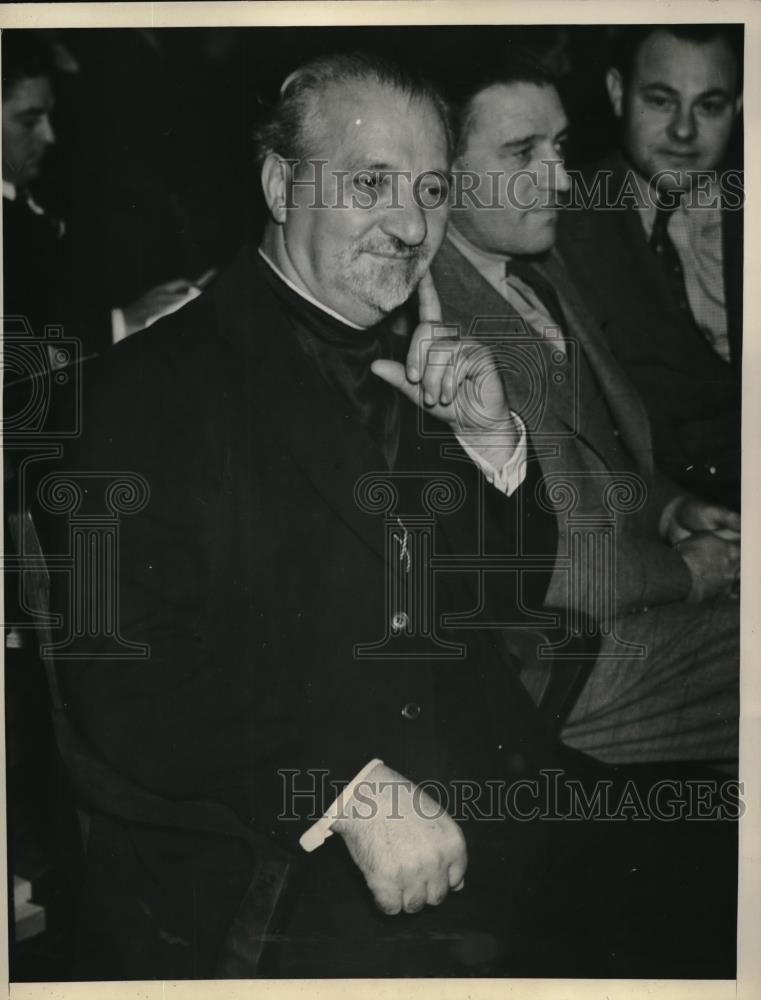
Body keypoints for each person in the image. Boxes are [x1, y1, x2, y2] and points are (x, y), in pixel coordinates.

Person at [47, 52, 736, 981]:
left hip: (505, 792)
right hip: (298, 863)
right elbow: (121, 677)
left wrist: (496, 448)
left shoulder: (417, 363)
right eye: (372, 183)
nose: (412, 226)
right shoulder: (138, 391)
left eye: (431, 189)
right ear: (279, 183)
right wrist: (345, 787)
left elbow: (496, 608)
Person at [432, 50, 740, 766]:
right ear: (438, 172)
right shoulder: (436, 325)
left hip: (619, 610)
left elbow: (593, 448)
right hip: (553, 664)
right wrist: (688, 572)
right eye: (521, 154)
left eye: (560, 147)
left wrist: (668, 510)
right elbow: (535, 564)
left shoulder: (536, 267)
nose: (561, 179)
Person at [557, 25, 742, 509]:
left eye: (709, 105)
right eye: (661, 101)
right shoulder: (555, 220)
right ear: (618, 93)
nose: (684, 131)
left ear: (740, 106)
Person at [2, 31, 202, 373]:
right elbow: (17, 362)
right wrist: (119, 324)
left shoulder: (29, 195)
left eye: (48, 117)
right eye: (29, 121)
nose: (48, 136)